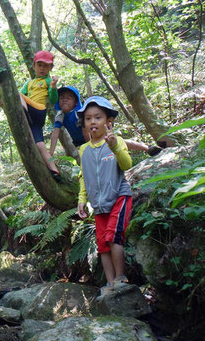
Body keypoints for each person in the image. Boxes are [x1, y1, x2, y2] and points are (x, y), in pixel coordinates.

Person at [76, 96, 132, 297]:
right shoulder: (83, 150)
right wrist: (82, 200)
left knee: (114, 237)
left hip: (119, 196)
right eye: (88, 118)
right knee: (102, 245)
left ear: (108, 122)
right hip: (98, 204)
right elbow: (84, 177)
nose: (93, 122)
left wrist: (115, 146)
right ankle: (110, 284)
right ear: (83, 124)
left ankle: (120, 278)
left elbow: (127, 165)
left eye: (98, 117)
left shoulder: (116, 143)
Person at [49, 86, 163, 157]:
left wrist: (92, 147)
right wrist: (51, 152)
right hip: (79, 143)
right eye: (62, 98)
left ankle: (147, 148)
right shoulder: (61, 116)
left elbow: (86, 131)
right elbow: (55, 133)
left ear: (75, 102)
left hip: (93, 136)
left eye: (68, 98)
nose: (64, 99)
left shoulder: (80, 112)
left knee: (118, 142)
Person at [17, 50, 61, 179]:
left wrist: (53, 87)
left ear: (51, 68)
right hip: (35, 120)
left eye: (46, 66)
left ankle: (24, 112)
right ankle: (54, 170)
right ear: (34, 65)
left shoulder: (48, 81)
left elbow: (53, 100)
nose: (42, 68)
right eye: (40, 65)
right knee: (39, 144)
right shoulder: (29, 83)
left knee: (17, 94)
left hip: (39, 110)